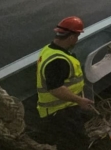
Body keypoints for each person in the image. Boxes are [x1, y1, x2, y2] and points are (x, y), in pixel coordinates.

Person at [36, 16, 93, 149]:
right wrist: (79, 100)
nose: (77, 40)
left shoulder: (48, 50)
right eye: (77, 36)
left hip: (61, 110)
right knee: (76, 144)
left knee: (68, 142)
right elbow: (55, 89)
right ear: (71, 37)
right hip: (60, 112)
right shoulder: (58, 60)